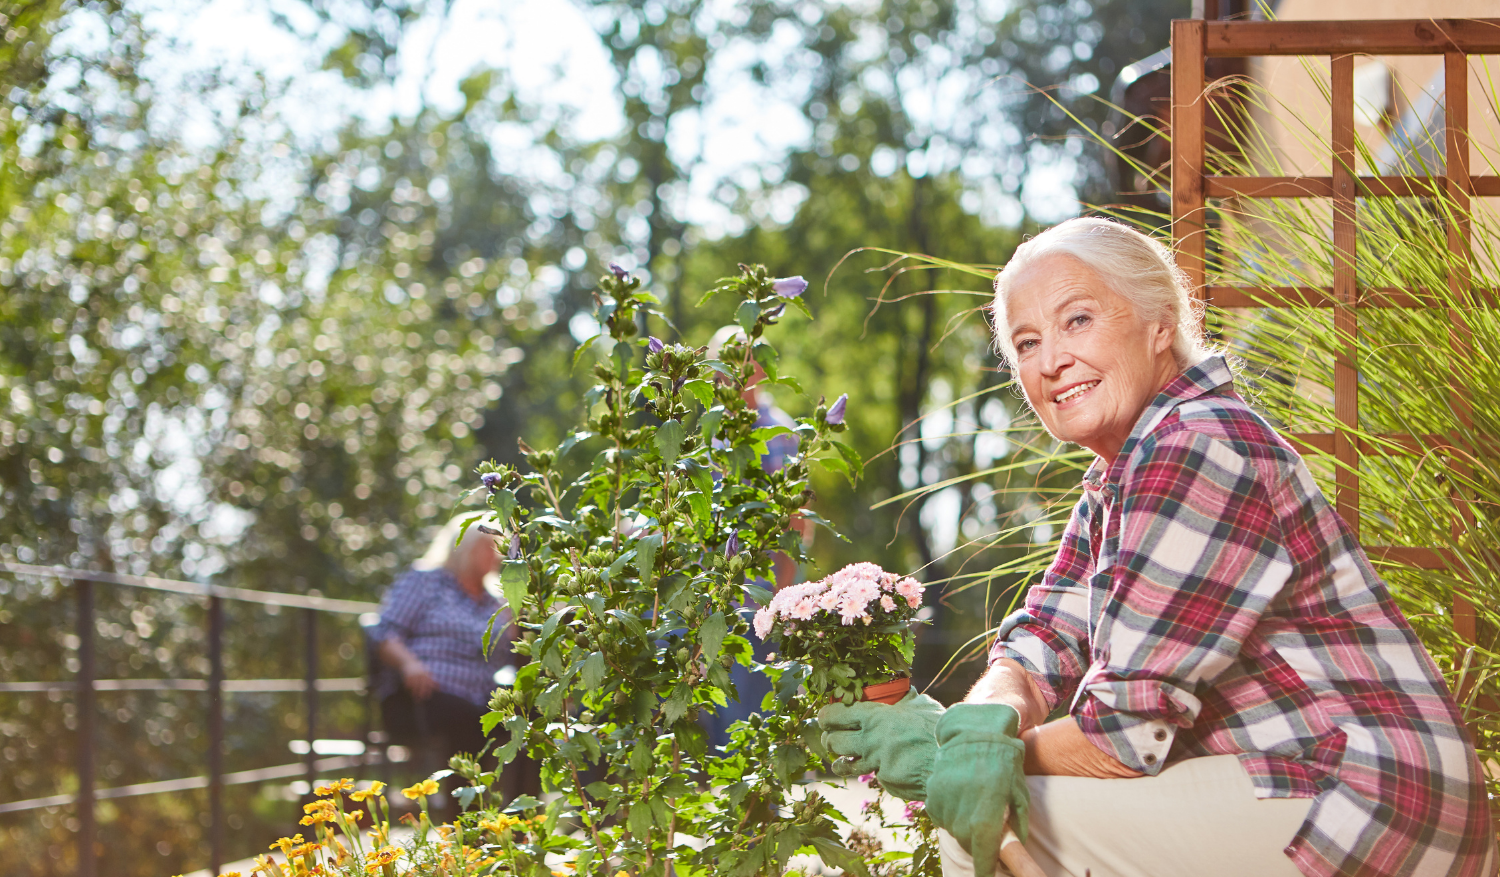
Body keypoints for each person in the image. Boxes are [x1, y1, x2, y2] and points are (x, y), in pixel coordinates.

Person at [819, 217, 1496, 877]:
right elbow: (1041, 635)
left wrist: (953, 756)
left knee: (985, 823)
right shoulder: (1124, 472)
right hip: (1305, 776)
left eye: (1077, 319)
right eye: (1026, 343)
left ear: (1160, 324)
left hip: (1367, 795)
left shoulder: (1196, 444)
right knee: (990, 798)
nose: (1051, 360)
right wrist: (979, 723)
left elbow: (1123, 736)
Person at [370, 517, 512, 786]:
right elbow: (384, 633)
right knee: (470, 719)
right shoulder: (425, 581)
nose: (497, 554)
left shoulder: (495, 600)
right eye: (489, 546)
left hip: (481, 695)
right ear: (465, 547)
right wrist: (409, 664)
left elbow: (506, 656)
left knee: (531, 718)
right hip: (422, 695)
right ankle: (464, 820)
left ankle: (525, 815)